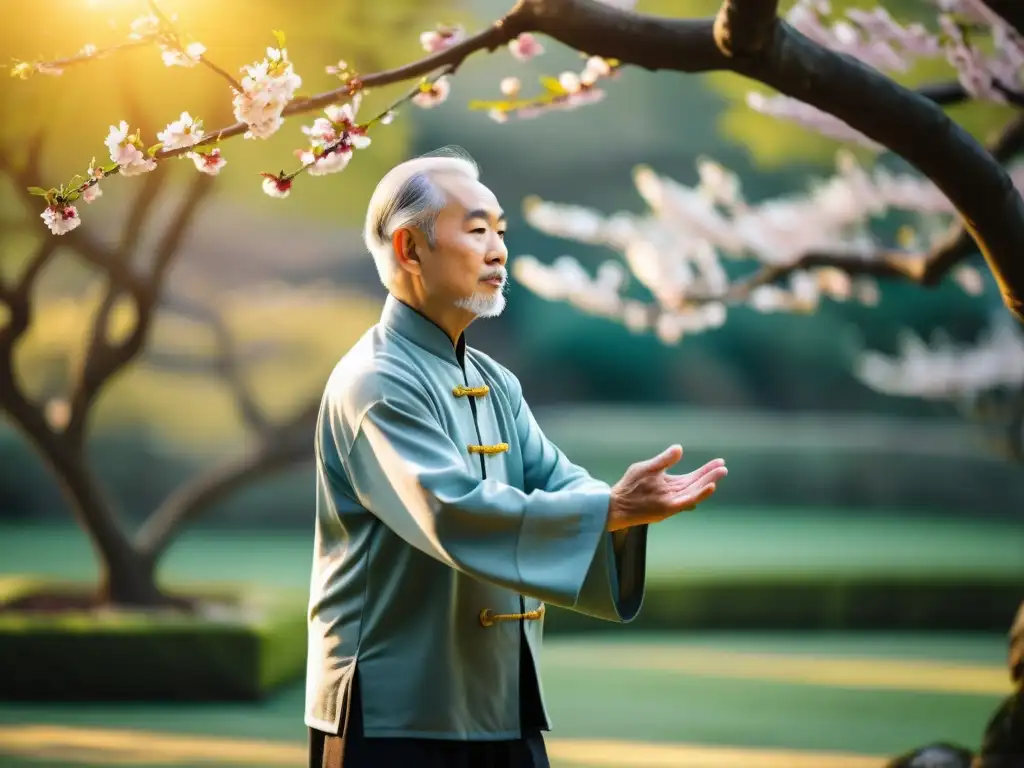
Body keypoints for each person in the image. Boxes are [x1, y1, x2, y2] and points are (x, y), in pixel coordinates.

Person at [305, 146, 729, 768]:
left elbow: (559, 481)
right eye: (477, 230)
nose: (499, 250)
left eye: (500, 231)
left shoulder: (495, 382)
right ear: (408, 249)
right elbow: (448, 510)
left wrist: (622, 509)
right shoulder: (374, 381)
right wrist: (607, 509)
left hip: (502, 707)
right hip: (390, 717)